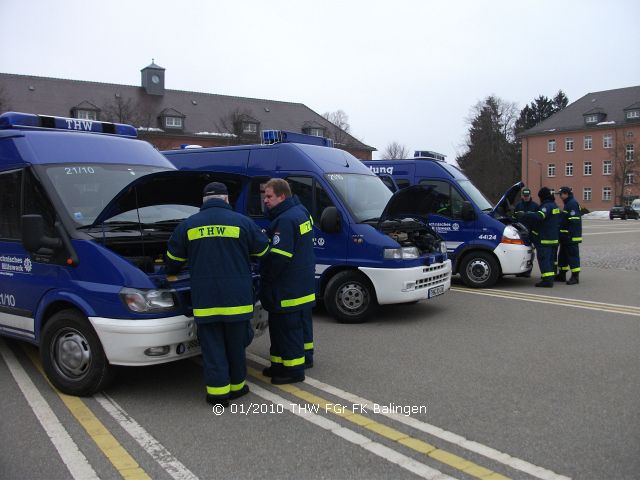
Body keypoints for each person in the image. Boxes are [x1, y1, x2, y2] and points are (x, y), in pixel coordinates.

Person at [166, 182, 269, 407]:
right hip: (238, 299)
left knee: (212, 347)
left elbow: (172, 262)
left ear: (203, 202)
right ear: (226, 200)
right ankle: (237, 387)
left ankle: (218, 394)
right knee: (236, 345)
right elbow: (262, 251)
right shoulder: (243, 222)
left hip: (206, 300)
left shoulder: (188, 225)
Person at [260, 178, 316, 385]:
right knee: (300, 325)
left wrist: (265, 276)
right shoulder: (301, 212)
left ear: (282, 196)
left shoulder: (284, 220)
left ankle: (292, 371)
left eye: (269, 196)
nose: (265, 200)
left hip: (287, 287)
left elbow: (279, 258)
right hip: (303, 282)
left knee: (286, 328)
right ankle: (295, 361)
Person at [515, 187, 560, 288]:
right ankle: (550, 277)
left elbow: (540, 216)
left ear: (542, 197)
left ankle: (547, 281)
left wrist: (526, 214)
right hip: (553, 238)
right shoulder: (554, 205)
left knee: (544, 259)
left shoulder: (546, 206)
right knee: (551, 260)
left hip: (545, 239)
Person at [556, 186, 582, 285]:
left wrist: (568, 234)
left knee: (572, 256)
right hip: (565, 236)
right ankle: (562, 274)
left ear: (566, 194)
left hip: (571, 237)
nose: (560, 197)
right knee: (563, 256)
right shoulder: (568, 203)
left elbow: (574, 222)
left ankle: (575, 276)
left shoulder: (572, 204)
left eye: (561, 194)